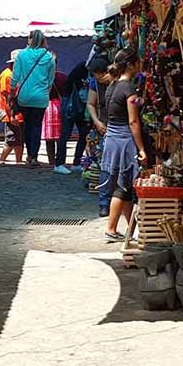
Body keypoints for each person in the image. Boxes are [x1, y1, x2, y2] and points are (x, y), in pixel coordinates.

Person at [101, 48, 147, 241]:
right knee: (123, 186)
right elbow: (133, 121)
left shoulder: (112, 86)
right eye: (138, 62)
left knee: (125, 184)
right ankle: (111, 229)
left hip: (112, 138)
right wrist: (142, 148)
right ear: (130, 64)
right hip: (124, 140)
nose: (140, 65)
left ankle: (131, 229)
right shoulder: (128, 88)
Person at [11, 29, 55, 166]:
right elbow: (50, 80)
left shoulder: (21, 56)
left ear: (30, 39)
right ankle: (34, 156)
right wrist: (45, 91)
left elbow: (15, 78)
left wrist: (13, 93)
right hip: (40, 97)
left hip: (24, 96)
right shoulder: (49, 57)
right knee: (37, 126)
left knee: (27, 126)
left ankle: (29, 155)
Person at [86, 55, 112, 216]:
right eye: (95, 74)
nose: (98, 77)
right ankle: (104, 203)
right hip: (103, 127)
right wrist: (97, 122)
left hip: (118, 128)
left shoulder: (117, 81)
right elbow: (90, 103)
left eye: (99, 73)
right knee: (105, 167)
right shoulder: (94, 83)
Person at [54, 60, 90, 175]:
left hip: (75, 104)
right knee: (66, 134)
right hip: (73, 105)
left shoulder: (82, 68)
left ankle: (75, 163)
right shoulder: (83, 70)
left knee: (82, 134)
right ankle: (60, 163)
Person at [0, 50, 23, 164]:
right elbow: (9, 97)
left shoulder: (13, 74)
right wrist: (13, 115)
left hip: (17, 113)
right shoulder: (7, 75)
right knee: (11, 139)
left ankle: (19, 160)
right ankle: (2, 160)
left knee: (18, 139)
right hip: (11, 114)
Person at [42, 53, 67, 167]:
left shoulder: (42, 78)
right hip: (60, 107)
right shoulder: (63, 77)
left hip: (46, 107)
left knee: (49, 138)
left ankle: (51, 161)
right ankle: (60, 161)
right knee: (61, 137)